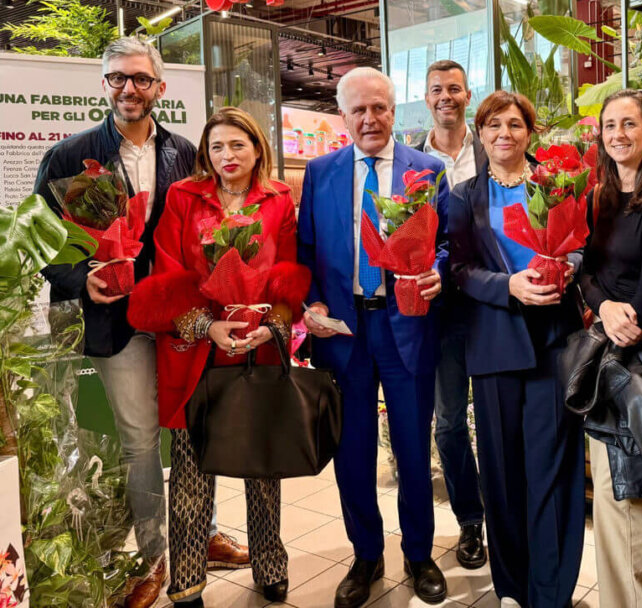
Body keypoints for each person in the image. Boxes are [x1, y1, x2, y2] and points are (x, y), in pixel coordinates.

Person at [34, 37, 248, 608]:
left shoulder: (184, 152)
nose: (129, 88)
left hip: (183, 319)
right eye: (117, 79)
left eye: (140, 78)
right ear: (105, 85)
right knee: (140, 443)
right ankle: (154, 557)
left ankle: (199, 533)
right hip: (118, 320)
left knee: (195, 431)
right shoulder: (69, 155)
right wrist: (84, 281)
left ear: (160, 86)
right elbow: (43, 240)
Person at [126, 107, 306, 607]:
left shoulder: (278, 200)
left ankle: (270, 564)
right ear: (206, 152)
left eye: (238, 146)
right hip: (196, 354)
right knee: (190, 472)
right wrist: (208, 326)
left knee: (262, 469)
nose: (227, 156)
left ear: (257, 150)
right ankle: (186, 582)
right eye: (218, 146)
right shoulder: (184, 196)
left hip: (257, 353)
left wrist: (270, 328)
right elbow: (165, 275)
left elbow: (288, 273)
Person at [297, 67, 449, 608]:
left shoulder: (428, 170)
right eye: (358, 109)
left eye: (379, 108)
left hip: (407, 325)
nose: (370, 119)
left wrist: (440, 273)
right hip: (343, 332)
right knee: (353, 450)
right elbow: (306, 251)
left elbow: (448, 242)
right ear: (342, 116)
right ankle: (365, 554)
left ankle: (419, 552)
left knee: (412, 448)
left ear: (394, 111)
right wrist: (309, 301)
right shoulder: (320, 172)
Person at [448, 90, 584, 608]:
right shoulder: (462, 197)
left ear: (530, 132)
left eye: (515, 124)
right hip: (496, 345)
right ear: (479, 135)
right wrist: (506, 286)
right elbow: (457, 269)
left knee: (552, 471)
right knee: (503, 475)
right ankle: (510, 586)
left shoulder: (558, 183)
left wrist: (568, 264)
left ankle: (550, 591)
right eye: (493, 126)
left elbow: (579, 242)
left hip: (554, 341)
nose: (504, 133)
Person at [577, 89, 642, 608]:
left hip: (641, 356)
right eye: (609, 125)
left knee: (638, 490)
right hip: (604, 349)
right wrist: (603, 308)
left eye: (629, 125)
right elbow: (585, 270)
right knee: (615, 494)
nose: (617, 134)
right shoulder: (595, 192)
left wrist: (627, 315)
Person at [414, 59, 487, 569]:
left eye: (455, 89)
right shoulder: (410, 161)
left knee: (500, 419)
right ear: (426, 98)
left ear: (468, 94)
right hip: (439, 311)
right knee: (448, 426)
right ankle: (471, 520)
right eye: (437, 89)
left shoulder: (495, 150)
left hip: (495, 304)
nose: (446, 97)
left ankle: (508, 514)